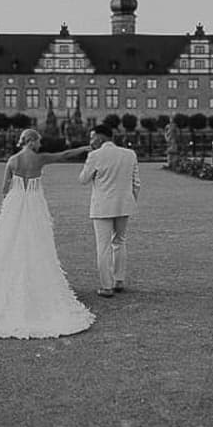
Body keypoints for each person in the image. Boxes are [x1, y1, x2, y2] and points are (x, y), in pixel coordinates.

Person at [0, 129, 93, 339]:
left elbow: (4, 187)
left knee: (9, 243)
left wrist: (14, 197)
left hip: (15, 204)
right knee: (38, 242)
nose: (40, 145)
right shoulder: (40, 159)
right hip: (35, 204)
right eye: (38, 141)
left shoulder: (12, 160)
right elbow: (64, 155)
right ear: (32, 141)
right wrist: (84, 148)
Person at [79, 124, 140, 298]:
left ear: (99, 137)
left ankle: (107, 286)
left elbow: (83, 179)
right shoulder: (130, 154)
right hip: (124, 205)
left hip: (102, 206)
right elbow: (137, 183)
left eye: (92, 137)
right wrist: (130, 201)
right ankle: (119, 280)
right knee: (120, 241)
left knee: (103, 246)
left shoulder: (95, 156)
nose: (91, 141)